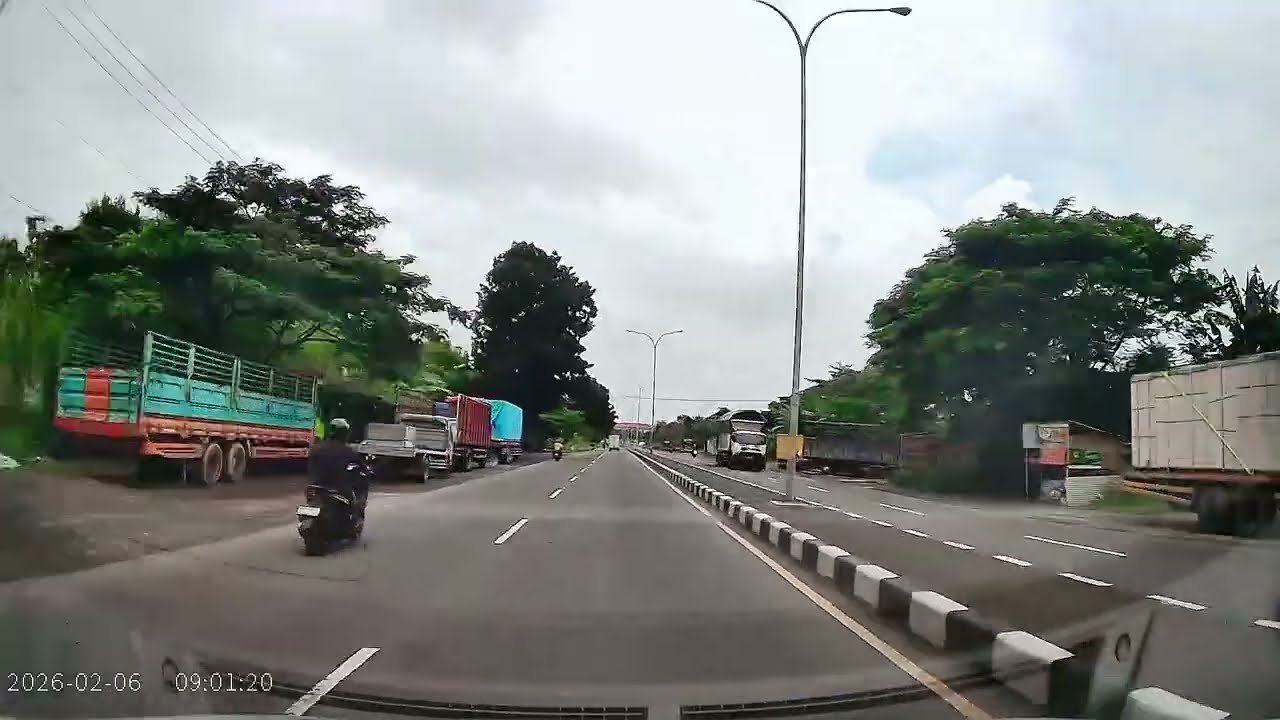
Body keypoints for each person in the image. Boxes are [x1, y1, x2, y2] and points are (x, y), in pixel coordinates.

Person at [307, 418, 369, 514]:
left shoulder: (317, 448)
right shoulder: (348, 451)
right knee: (354, 503)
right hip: (339, 488)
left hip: (315, 486)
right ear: (344, 433)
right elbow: (361, 467)